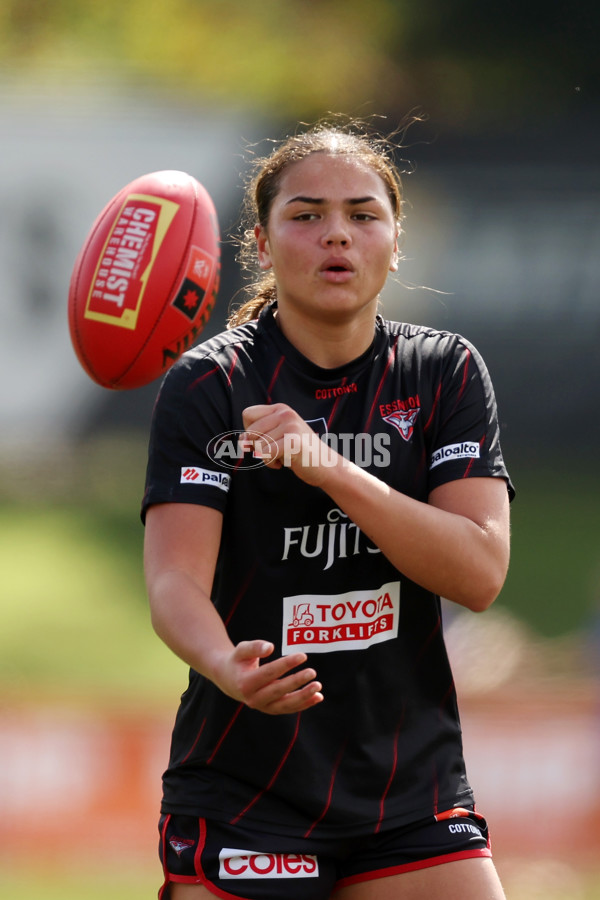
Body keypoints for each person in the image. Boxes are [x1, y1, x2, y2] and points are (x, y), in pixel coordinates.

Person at [142, 118, 514, 900]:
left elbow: (479, 573)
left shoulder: (444, 372)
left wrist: (330, 469)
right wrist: (223, 666)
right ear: (262, 243)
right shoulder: (211, 386)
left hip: (408, 785)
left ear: (396, 240)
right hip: (248, 785)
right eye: (306, 216)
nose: (335, 235)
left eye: (362, 214)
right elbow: (176, 581)